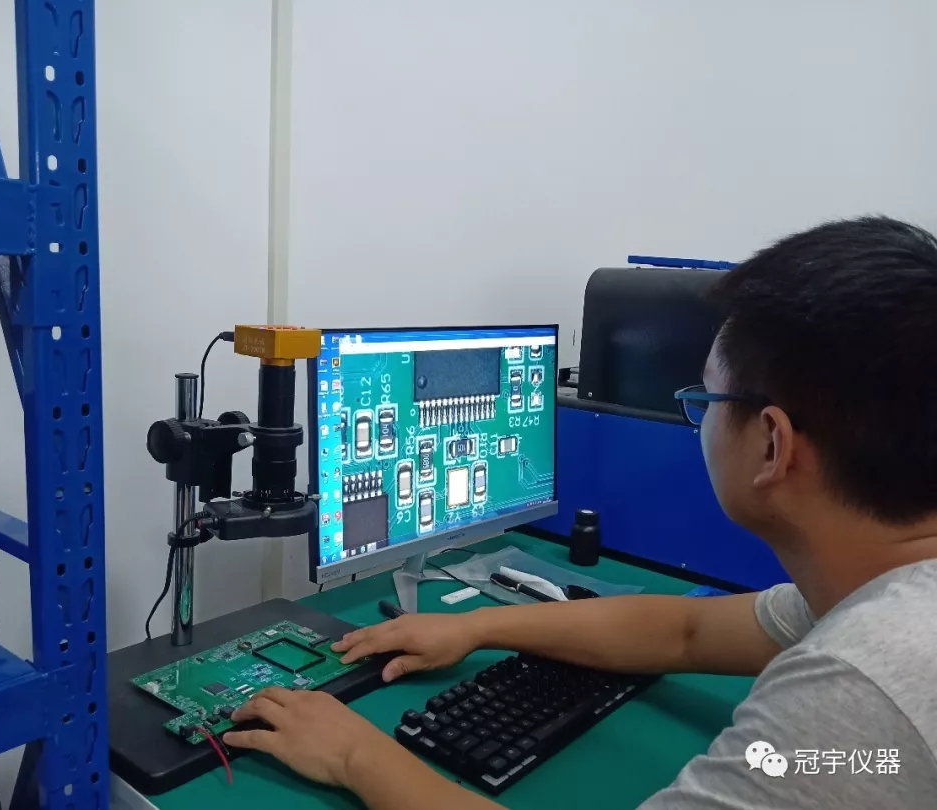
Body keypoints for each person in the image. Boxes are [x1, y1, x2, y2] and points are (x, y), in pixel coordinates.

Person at [224, 216, 937, 808]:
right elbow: (684, 630)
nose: (699, 422)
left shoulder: (858, 688)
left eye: (705, 402)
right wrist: (475, 627)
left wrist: (354, 755)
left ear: (772, 445)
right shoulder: (877, 594)